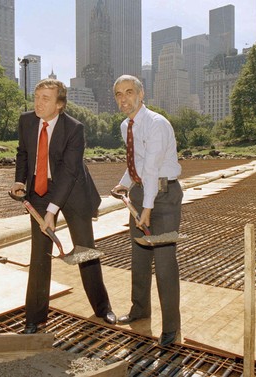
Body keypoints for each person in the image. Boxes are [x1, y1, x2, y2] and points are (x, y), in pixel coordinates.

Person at [10, 78, 116, 333]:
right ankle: (35, 318)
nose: (38, 103)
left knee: (84, 251)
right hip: (39, 190)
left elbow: (68, 172)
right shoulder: (26, 121)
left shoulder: (74, 129)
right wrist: (18, 180)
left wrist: (51, 212)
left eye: (45, 98)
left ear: (59, 104)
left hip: (73, 192)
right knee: (39, 256)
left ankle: (102, 308)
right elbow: (23, 153)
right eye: (36, 97)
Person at [112, 75, 183, 347]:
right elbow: (138, 164)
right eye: (119, 94)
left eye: (129, 92)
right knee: (139, 258)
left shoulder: (156, 124)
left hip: (163, 198)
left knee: (165, 264)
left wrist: (148, 208)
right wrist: (124, 183)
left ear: (142, 94)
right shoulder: (125, 126)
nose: (124, 98)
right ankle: (140, 309)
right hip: (142, 192)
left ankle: (171, 328)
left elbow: (153, 168)